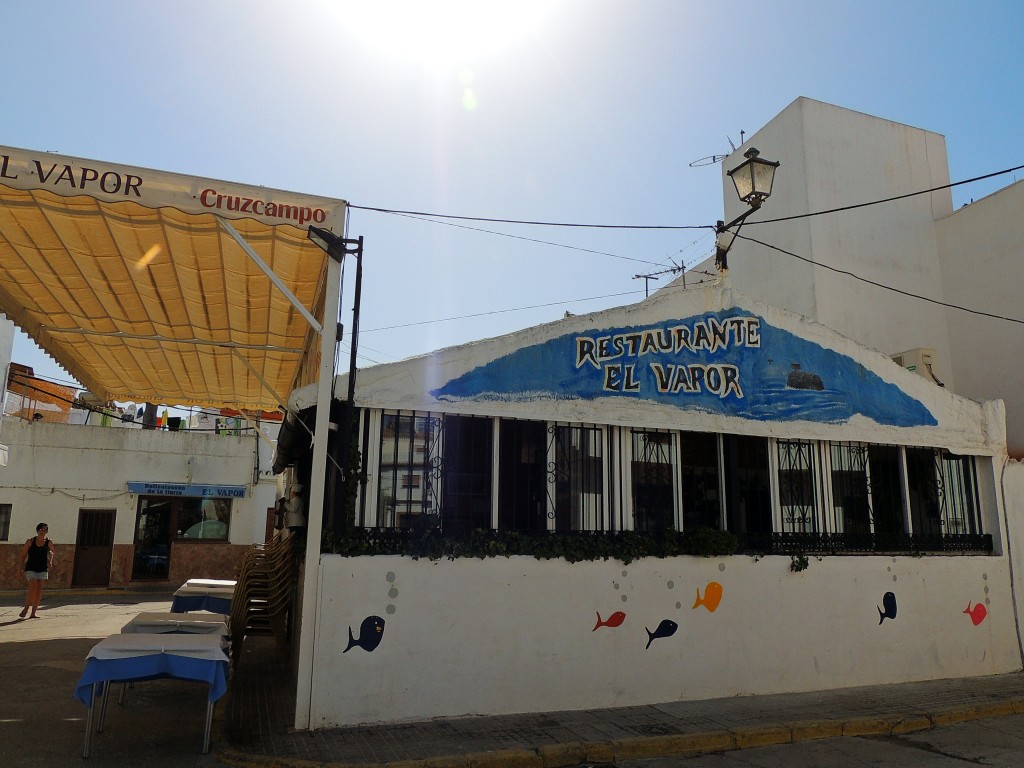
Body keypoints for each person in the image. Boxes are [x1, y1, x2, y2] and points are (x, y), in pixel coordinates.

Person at [20, 522, 54, 619]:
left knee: (39, 589)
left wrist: (50, 561)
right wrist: (20, 568)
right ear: (38, 530)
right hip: (31, 567)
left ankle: (33, 612)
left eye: (46, 529)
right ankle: (26, 608)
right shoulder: (30, 541)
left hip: (42, 568)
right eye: (43, 529)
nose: (44, 531)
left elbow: (51, 553)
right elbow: (23, 555)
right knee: (33, 586)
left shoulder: (49, 542)